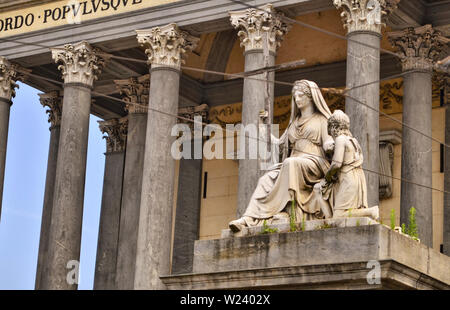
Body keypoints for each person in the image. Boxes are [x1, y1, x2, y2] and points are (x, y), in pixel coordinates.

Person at [229, 80, 335, 232]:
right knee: (266, 179)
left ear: (311, 97)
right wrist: (263, 128)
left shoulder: (322, 120)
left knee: (291, 163)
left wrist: (329, 144)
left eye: (301, 95)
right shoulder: (294, 123)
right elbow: (278, 146)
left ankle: (287, 211)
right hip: (293, 163)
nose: (297, 99)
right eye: (295, 96)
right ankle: (248, 218)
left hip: (315, 162)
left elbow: (329, 140)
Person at [318, 110, 379, 220]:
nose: (330, 134)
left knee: (339, 215)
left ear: (334, 127)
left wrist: (327, 176)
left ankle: (370, 211)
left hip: (348, 179)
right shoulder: (353, 141)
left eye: (330, 130)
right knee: (349, 211)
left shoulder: (340, 140)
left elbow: (336, 164)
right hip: (358, 178)